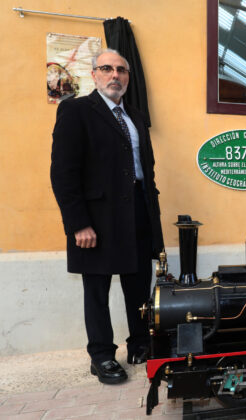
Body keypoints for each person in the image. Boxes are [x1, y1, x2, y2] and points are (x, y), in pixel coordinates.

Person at [50, 49, 164, 384]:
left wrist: (153, 217)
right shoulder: (76, 111)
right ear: (94, 74)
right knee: (96, 288)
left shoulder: (137, 117)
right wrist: (78, 223)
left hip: (137, 212)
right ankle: (101, 355)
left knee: (138, 285)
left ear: (128, 77)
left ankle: (140, 343)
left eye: (121, 70)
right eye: (107, 69)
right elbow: (63, 173)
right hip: (96, 217)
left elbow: (147, 171)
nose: (115, 75)